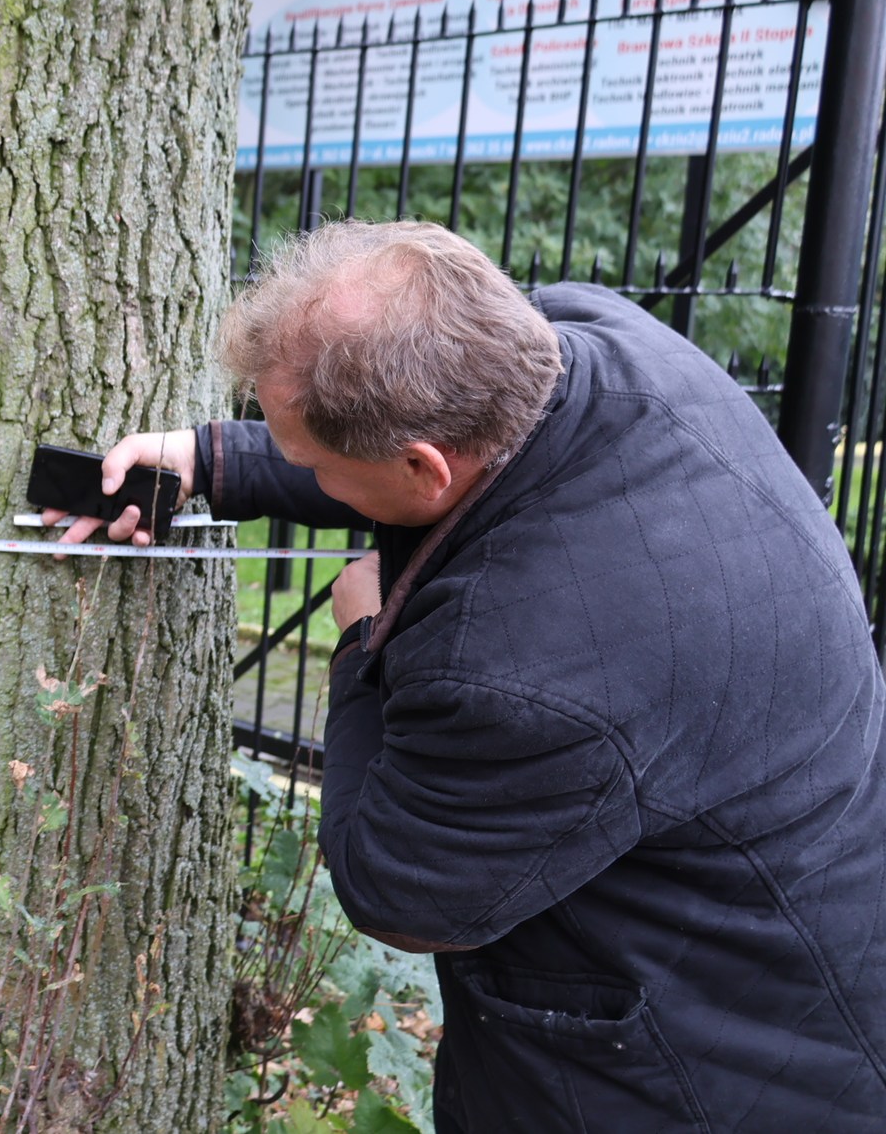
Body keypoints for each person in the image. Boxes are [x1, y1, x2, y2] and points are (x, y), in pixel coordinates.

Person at [52, 220, 886, 1131]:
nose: (309, 475)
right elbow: (417, 463)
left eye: (312, 465)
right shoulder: (587, 343)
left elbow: (397, 889)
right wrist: (212, 461)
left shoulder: (518, 666)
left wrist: (361, 643)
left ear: (422, 466)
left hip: (695, 1067)